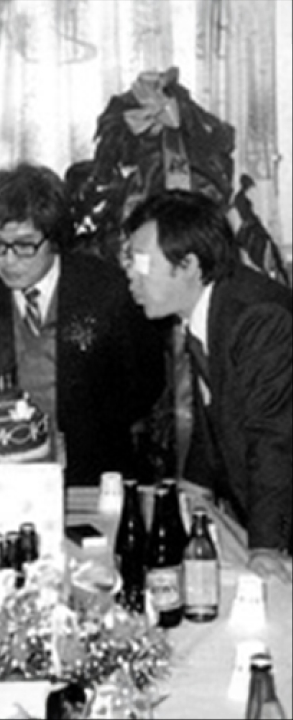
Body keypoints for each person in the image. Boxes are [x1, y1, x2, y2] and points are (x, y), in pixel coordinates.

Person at [0, 162, 167, 486]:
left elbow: (145, 381)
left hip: (92, 467)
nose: (8, 260)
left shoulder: (106, 289)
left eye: (25, 246)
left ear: (53, 239)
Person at [122, 189, 292, 582]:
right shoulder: (208, 307)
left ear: (189, 265)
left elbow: (274, 436)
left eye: (142, 262)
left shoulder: (258, 319)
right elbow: (212, 406)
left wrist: (266, 546)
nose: (130, 274)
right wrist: (193, 489)